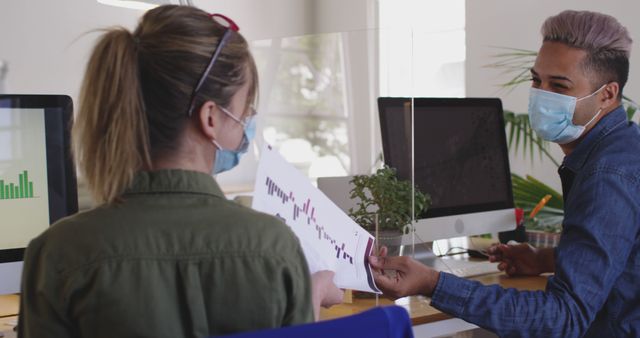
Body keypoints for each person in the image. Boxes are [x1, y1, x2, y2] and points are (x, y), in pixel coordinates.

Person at [17, 5, 342, 338]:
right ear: (211, 117)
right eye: (246, 107)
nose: (249, 120)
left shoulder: (57, 254)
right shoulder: (276, 248)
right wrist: (310, 294)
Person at [370, 10, 640, 338]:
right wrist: (544, 259)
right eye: (536, 80)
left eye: (559, 85)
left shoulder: (607, 176)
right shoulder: (624, 147)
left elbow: (564, 317)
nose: (541, 94)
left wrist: (433, 283)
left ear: (607, 94)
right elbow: (622, 258)